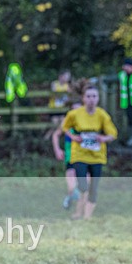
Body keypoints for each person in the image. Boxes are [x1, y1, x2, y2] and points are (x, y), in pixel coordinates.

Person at [52, 85, 118, 220]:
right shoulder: (74, 114)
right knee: (82, 185)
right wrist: (74, 137)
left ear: (98, 98)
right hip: (79, 155)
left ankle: (87, 216)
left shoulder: (102, 115)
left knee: (93, 188)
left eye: (94, 96)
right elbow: (63, 128)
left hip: (97, 156)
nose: (91, 99)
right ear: (83, 98)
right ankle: (78, 211)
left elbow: (113, 134)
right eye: (88, 96)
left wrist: (103, 138)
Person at [47, 69, 79, 209]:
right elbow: (56, 135)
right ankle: (71, 197)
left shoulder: (89, 121)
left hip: (86, 154)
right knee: (71, 176)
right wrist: (57, 149)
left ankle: (82, 201)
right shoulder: (68, 122)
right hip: (70, 153)